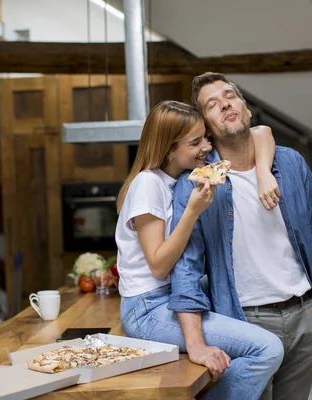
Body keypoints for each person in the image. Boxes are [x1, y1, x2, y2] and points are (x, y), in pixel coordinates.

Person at [168, 72, 312, 400]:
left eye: (230, 96)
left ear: (245, 109)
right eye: (212, 105)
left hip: (306, 317)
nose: (225, 104)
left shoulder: (290, 164)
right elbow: (184, 269)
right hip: (244, 323)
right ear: (206, 126)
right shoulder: (197, 183)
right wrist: (196, 343)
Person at [116, 100, 284, 400]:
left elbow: (261, 132)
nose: (207, 146)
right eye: (195, 142)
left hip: (166, 299)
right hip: (147, 308)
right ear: (169, 149)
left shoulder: (178, 181)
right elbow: (158, 265)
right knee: (267, 349)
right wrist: (193, 211)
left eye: (206, 137)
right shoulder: (147, 185)